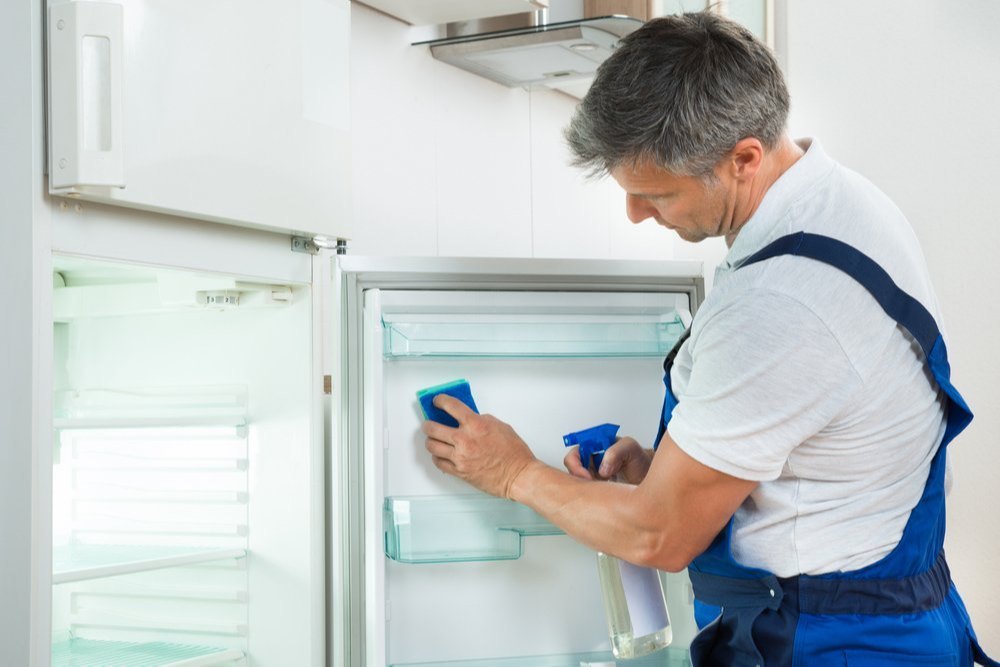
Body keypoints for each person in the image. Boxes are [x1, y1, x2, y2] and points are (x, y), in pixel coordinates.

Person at [421, 11, 997, 667]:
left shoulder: (781, 301)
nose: (636, 212)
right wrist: (666, 469)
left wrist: (515, 473)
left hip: (834, 645)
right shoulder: (838, 200)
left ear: (744, 157)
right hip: (887, 621)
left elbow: (658, 535)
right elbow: (798, 436)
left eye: (655, 193)